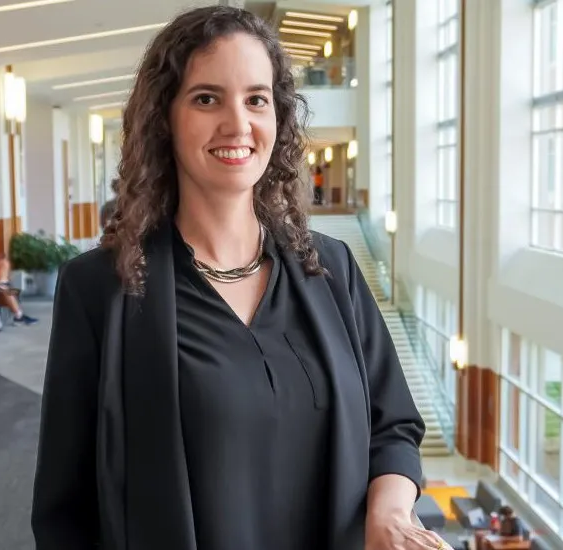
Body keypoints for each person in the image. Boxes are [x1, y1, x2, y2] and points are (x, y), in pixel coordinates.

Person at [32, 6, 445, 550]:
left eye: (256, 99)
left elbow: (392, 426)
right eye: (207, 99)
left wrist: (389, 515)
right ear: (165, 118)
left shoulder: (333, 269)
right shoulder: (100, 289)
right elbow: (65, 511)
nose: (238, 124)